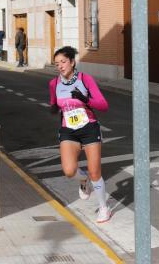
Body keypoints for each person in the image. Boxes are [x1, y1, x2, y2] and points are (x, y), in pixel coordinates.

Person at [49, 46, 111, 223]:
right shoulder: (54, 83)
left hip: (89, 128)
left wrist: (85, 99)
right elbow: (54, 102)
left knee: (95, 171)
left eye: (63, 62)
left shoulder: (85, 79)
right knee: (69, 171)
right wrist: (53, 107)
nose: (60, 66)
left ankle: (104, 208)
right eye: (57, 64)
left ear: (72, 62)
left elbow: (103, 105)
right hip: (68, 130)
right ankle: (83, 181)